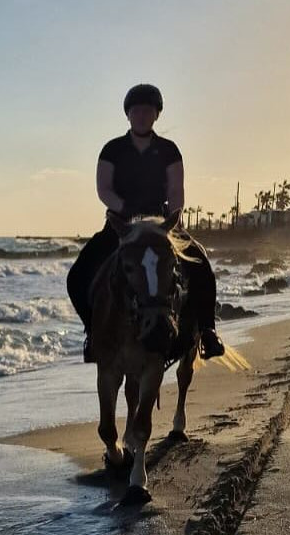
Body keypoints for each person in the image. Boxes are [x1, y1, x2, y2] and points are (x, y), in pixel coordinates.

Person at [66, 83, 225, 362]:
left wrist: (172, 223)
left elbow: (176, 190)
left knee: (201, 267)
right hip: (122, 226)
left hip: (160, 225)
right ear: (128, 115)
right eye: (136, 111)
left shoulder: (169, 150)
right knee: (77, 276)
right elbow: (104, 189)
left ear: (156, 115)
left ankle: (208, 331)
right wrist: (125, 211)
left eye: (147, 111)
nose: (141, 116)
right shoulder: (112, 149)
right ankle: (93, 333)